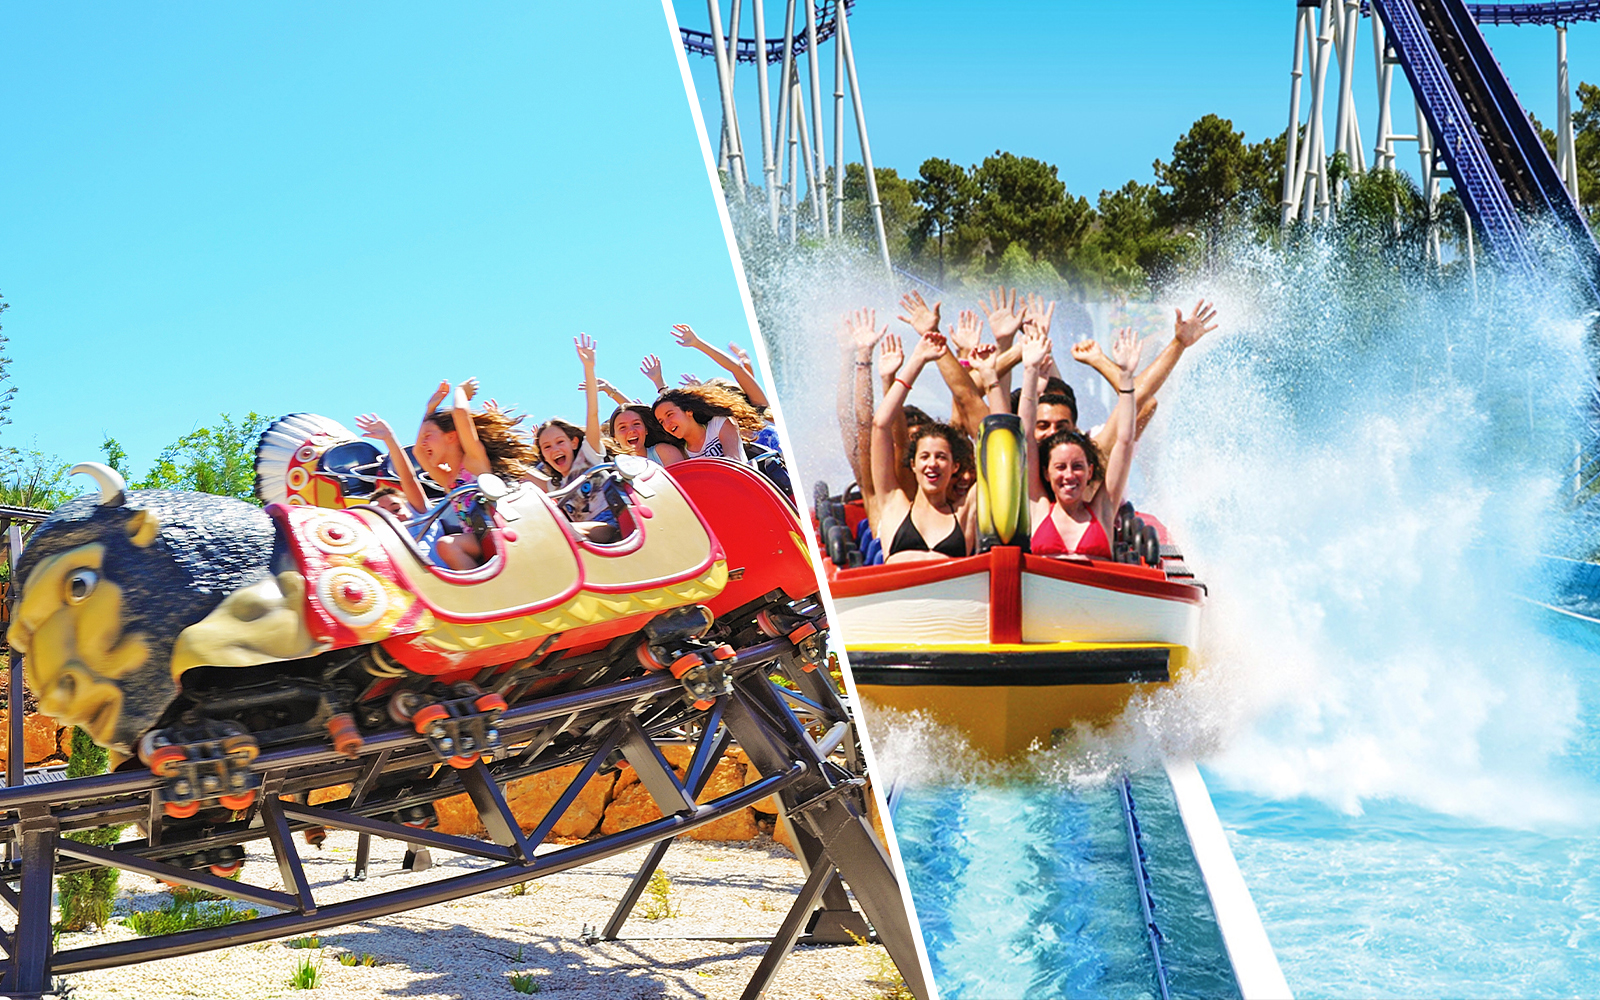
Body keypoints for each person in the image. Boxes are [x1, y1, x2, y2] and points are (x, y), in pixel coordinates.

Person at [1018, 323, 1143, 559]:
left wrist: (1126, 378)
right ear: (1046, 473)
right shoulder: (1039, 507)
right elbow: (1024, 437)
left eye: (1077, 467)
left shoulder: (1103, 508)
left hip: (1093, 594)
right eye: (1060, 467)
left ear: (1089, 471)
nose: (1069, 475)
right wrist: (1030, 372)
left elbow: (1124, 441)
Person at [868, 330, 976, 563]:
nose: (932, 464)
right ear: (913, 464)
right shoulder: (893, 505)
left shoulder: (966, 511)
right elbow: (880, 426)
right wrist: (916, 360)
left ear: (955, 466)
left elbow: (992, 441)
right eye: (925, 456)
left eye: (941, 457)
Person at [536, 334, 621, 543]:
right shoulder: (555, 487)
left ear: (574, 442)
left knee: (563, 531)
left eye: (559, 442)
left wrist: (589, 368)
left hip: (610, 523)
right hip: (579, 533)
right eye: (546, 447)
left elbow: (593, 413)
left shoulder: (588, 456)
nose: (554, 449)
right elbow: (517, 472)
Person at [654, 384, 761, 464]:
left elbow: (734, 460)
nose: (667, 424)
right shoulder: (681, 452)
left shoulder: (719, 423)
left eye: (669, 415)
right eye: (661, 421)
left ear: (689, 411)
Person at [607, 404, 686, 466]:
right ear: (615, 438)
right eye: (622, 427)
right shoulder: (613, 468)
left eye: (636, 424)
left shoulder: (663, 452)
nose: (631, 431)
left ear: (646, 430)